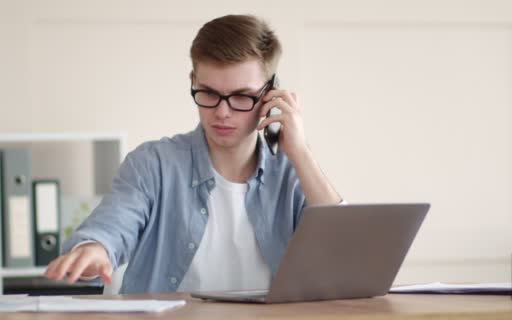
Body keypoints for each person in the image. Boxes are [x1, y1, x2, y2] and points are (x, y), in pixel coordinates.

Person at [44, 14, 343, 294]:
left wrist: (300, 152)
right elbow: (113, 226)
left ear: (270, 94)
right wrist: (93, 249)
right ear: (193, 82)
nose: (222, 112)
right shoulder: (152, 165)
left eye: (241, 96)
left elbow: (344, 255)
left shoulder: (291, 173)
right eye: (209, 93)